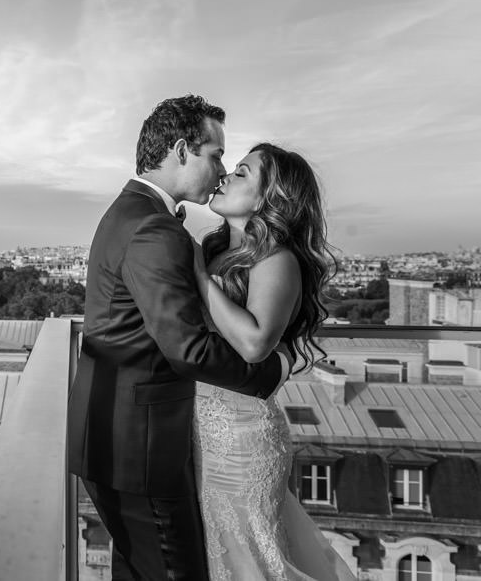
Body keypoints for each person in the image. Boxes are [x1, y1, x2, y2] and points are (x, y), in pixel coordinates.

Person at [66, 95, 293, 580]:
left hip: (119, 436)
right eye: (216, 155)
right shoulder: (154, 225)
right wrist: (268, 372)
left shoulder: (134, 211)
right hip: (140, 446)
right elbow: (187, 348)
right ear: (181, 149)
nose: (222, 168)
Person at [192, 143, 355, 580]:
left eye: (242, 172)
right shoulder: (216, 252)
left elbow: (254, 343)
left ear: (272, 198)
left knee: (249, 562)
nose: (225, 175)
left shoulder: (277, 260)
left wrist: (195, 275)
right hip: (198, 431)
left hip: (242, 440)